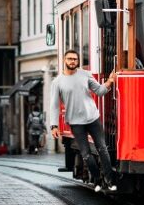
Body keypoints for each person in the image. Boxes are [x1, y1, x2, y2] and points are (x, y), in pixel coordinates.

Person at [50, 49, 117, 192]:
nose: (72, 61)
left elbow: (99, 91)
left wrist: (109, 82)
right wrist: (54, 126)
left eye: (75, 59)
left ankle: (110, 181)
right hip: (75, 123)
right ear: (64, 60)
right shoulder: (57, 82)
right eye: (69, 59)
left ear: (78, 61)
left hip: (92, 118)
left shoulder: (85, 75)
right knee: (86, 154)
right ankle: (97, 180)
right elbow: (54, 105)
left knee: (102, 149)